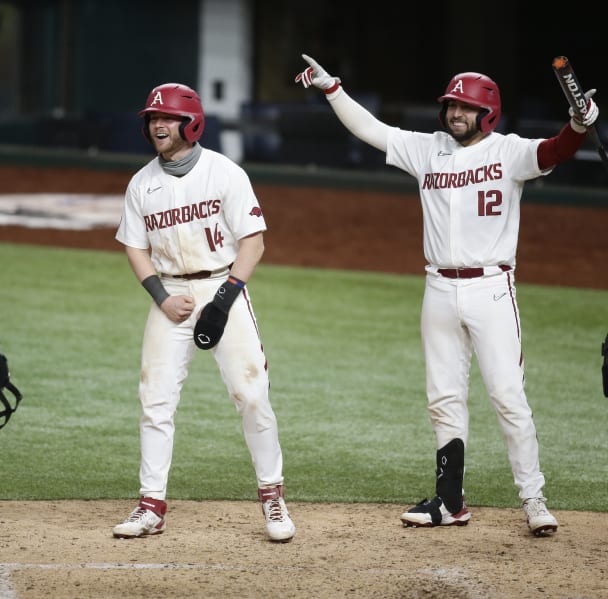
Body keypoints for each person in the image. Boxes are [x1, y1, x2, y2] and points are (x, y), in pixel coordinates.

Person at [295, 55, 600, 536]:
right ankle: (450, 501)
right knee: (444, 398)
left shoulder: (508, 151)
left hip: (491, 289)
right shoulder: (426, 149)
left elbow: (555, 151)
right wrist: (332, 88)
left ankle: (534, 498)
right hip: (438, 288)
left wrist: (580, 125)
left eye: (466, 107)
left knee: (507, 396)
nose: (455, 114)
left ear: (489, 113)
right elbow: (370, 129)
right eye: (451, 106)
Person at [113, 82, 296, 543]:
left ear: (190, 122)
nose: (158, 124)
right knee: (154, 400)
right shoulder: (142, 183)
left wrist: (225, 297)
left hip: (222, 286)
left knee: (251, 394)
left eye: (167, 117)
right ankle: (151, 504)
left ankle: (272, 495)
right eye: (153, 118)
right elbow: (135, 248)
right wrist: (161, 297)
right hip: (170, 294)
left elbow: (253, 242)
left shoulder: (224, 173)